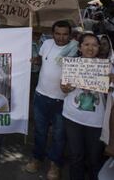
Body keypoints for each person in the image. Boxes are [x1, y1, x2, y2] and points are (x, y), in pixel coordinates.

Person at [25, 20, 72, 180]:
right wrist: (35, 61)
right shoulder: (46, 44)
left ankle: (54, 164)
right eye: (57, 34)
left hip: (62, 100)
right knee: (39, 131)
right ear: (52, 34)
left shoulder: (75, 49)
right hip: (41, 96)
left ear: (70, 35)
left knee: (59, 135)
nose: (61, 37)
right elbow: (40, 60)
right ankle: (37, 158)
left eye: (65, 34)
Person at [60, 33, 106, 180]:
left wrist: (110, 83)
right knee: (76, 157)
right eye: (86, 44)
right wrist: (66, 88)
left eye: (94, 45)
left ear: (99, 48)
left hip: (97, 121)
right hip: (72, 117)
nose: (90, 48)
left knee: (94, 159)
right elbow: (63, 89)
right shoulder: (72, 64)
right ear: (80, 47)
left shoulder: (107, 67)